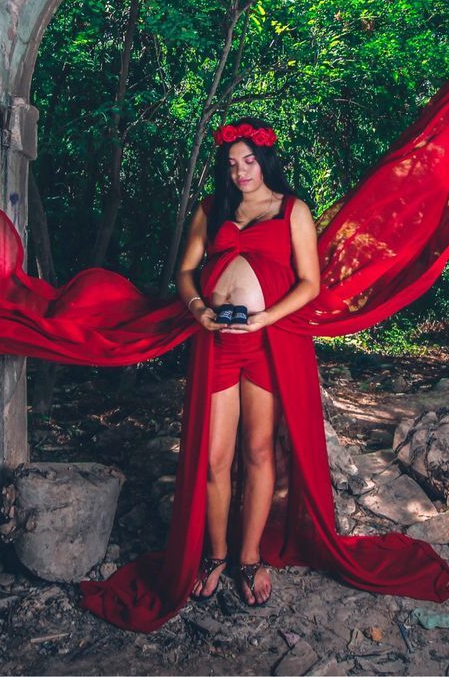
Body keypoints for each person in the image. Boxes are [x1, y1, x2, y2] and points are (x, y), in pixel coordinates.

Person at [174, 117, 320, 606]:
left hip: (266, 344)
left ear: (265, 161)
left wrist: (264, 319)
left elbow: (310, 283)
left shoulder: (292, 210)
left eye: (249, 161)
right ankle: (216, 554)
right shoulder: (212, 209)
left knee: (259, 453)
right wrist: (198, 309)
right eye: (233, 164)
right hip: (216, 342)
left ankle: (249, 556)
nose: (240, 172)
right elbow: (187, 271)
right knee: (216, 459)